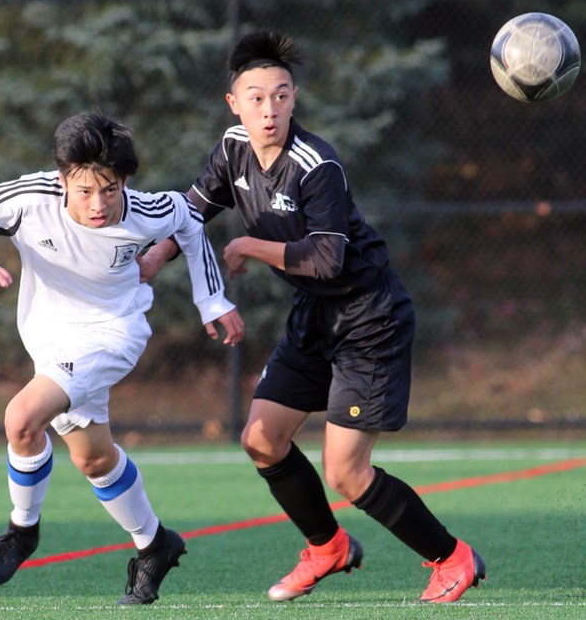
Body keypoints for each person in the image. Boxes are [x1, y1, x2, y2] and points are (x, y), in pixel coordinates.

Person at [139, 31, 485, 603]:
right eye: (255, 97)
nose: (268, 109)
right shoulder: (232, 148)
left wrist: (252, 245)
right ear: (234, 103)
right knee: (261, 439)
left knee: (347, 473)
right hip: (314, 318)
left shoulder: (316, 165)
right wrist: (156, 254)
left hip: (369, 317)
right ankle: (328, 547)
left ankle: (453, 558)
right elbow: (193, 208)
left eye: (279, 96)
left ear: (294, 98)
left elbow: (328, 259)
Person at [0, 110, 244, 605]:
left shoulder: (147, 209)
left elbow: (189, 223)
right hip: (49, 341)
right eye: (84, 191)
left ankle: (22, 532)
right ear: (62, 180)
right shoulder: (31, 199)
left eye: (109, 189)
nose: (98, 203)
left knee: (21, 418)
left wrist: (211, 299)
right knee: (94, 459)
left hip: (112, 334)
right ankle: (155, 545)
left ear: (123, 181)